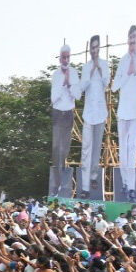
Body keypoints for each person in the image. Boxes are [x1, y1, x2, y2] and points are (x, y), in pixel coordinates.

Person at [110, 24, 136, 202]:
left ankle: (132, 186)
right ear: (127, 40)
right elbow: (114, 87)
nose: (132, 42)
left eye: (135, 38)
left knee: (131, 147)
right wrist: (127, 74)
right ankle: (125, 182)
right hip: (123, 110)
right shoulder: (123, 60)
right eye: (130, 38)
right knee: (123, 149)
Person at [77, 34, 110, 199]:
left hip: (101, 112)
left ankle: (94, 176)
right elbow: (81, 87)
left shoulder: (104, 64)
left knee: (97, 147)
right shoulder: (85, 67)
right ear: (90, 49)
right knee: (86, 149)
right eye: (93, 47)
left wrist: (100, 69)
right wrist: (90, 72)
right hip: (88, 113)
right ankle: (84, 187)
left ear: (100, 48)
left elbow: (107, 82)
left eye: (97, 47)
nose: (95, 50)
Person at [51, 43, 79, 194]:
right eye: (63, 57)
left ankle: (63, 181)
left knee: (65, 149)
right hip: (57, 113)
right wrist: (63, 84)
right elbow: (53, 98)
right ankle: (56, 183)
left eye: (68, 57)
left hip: (68, 113)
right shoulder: (56, 74)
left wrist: (69, 85)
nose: (66, 59)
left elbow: (78, 95)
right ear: (60, 58)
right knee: (56, 148)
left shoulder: (74, 73)